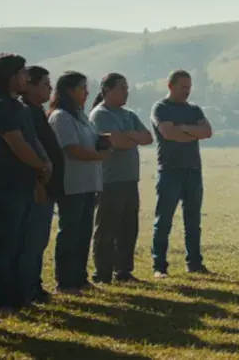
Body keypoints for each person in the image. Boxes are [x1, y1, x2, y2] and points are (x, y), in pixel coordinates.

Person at [0, 53, 49, 315]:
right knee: (4, 244)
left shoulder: (17, 106)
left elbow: (31, 139)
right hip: (7, 185)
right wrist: (40, 165)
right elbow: (17, 143)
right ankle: (1, 300)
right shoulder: (3, 107)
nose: (27, 76)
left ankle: (15, 297)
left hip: (22, 184)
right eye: (24, 72)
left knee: (17, 244)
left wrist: (43, 164)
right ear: (11, 75)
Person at [48, 70, 110, 294]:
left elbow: (90, 141)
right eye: (82, 88)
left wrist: (102, 142)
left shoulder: (81, 116)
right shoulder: (61, 117)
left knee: (83, 234)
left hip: (89, 183)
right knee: (70, 233)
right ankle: (64, 281)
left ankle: (79, 277)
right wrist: (99, 156)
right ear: (69, 91)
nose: (87, 92)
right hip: (72, 184)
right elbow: (72, 149)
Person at [89, 73, 153, 284]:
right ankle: (102, 273)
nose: (126, 92)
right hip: (110, 180)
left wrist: (128, 136)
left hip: (130, 179)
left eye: (127, 88)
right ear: (107, 91)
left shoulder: (129, 114)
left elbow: (148, 137)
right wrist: (132, 136)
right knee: (107, 228)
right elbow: (117, 142)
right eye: (122, 88)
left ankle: (123, 271)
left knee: (128, 228)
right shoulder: (101, 114)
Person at [150, 69, 212, 278]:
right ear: (170, 86)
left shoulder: (194, 109)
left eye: (189, 87)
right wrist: (193, 132)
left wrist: (183, 128)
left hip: (193, 171)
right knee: (164, 220)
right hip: (170, 171)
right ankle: (159, 266)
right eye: (183, 87)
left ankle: (194, 263)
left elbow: (207, 132)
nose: (187, 91)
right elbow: (168, 133)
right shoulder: (161, 108)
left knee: (193, 221)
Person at [19, 66, 65, 304]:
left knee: (39, 240)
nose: (50, 89)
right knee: (31, 240)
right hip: (38, 185)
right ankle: (27, 288)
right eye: (45, 84)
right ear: (30, 85)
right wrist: (40, 179)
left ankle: (33, 284)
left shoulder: (37, 111)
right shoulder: (26, 112)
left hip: (47, 185)